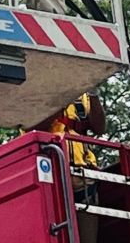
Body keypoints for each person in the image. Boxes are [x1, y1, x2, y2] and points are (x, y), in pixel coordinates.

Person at [35, 92, 107, 243]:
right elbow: (33, 127)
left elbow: (100, 128)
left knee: (87, 238)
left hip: (83, 177)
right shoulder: (35, 89)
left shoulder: (82, 96)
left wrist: (93, 93)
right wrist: (62, 97)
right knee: (53, 235)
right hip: (49, 173)